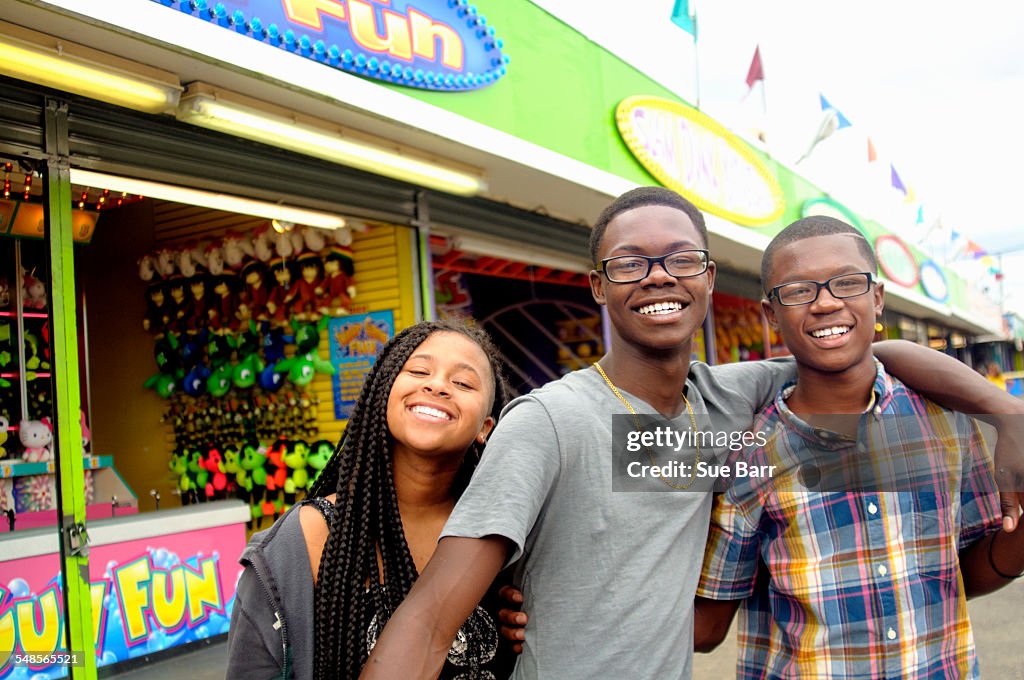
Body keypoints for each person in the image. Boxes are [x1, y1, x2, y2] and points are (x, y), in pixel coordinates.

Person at [360, 188, 1024, 680]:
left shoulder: (728, 405)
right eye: (630, 263)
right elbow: (430, 617)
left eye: (681, 260)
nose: (657, 276)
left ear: (708, 278)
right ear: (597, 285)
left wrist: (1010, 415)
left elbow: (870, 354)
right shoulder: (550, 423)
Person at [694, 217, 1024, 678]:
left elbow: (963, 573)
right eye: (798, 291)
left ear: (877, 299)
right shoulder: (751, 452)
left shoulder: (946, 421)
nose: (826, 303)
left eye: (847, 283)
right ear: (772, 316)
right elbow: (708, 625)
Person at [225, 319, 514, 680]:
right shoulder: (300, 542)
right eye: (419, 370)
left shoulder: (504, 534)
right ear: (383, 391)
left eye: (463, 383)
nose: (437, 385)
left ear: (486, 428)